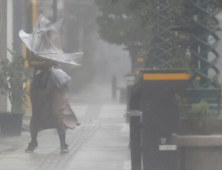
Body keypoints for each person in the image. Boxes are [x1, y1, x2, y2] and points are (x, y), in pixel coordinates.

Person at [25, 51, 80, 153]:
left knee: (57, 111)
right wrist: (43, 63)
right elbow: (31, 62)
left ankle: (63, 144)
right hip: (40, 83)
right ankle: (33, 141)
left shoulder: (53, 46)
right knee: (37, 112)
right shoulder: (35, 47)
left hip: (56, 82)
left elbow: (57, 59)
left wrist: (49, 61)